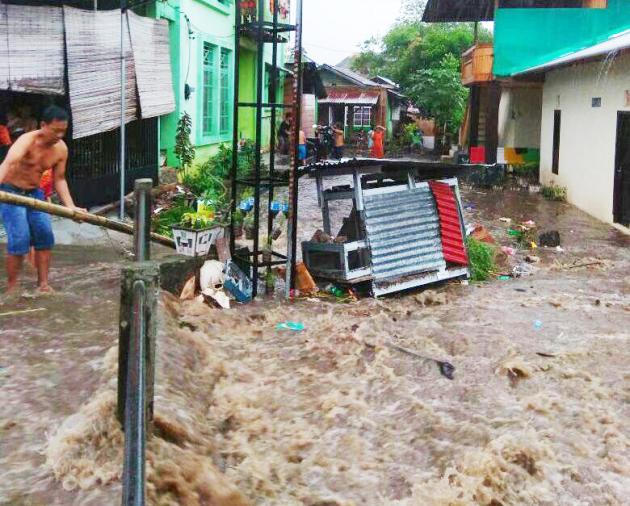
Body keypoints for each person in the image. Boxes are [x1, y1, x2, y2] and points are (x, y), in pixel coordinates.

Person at [0, 105, 85, 293]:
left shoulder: (61, 149)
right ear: (43, 125)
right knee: (20, 239)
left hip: (35, 195)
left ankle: (43, 284)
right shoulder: (26, 140)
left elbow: (60, 179)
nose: (59, 135)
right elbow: (9, 162)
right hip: (10, 193)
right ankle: (12, 288)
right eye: (55, 131)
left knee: (45, 236)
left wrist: (71, 207)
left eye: (63, 131)